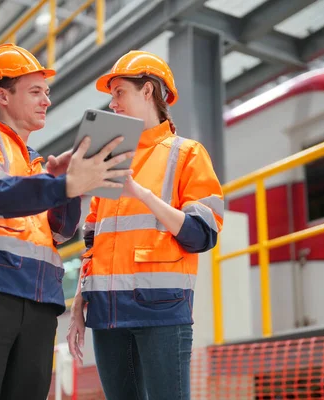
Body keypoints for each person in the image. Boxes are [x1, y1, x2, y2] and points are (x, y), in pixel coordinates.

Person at [0, 43, 134, 400]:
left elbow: (58, 232)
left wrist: (66, 188)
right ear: (3, 95)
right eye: (35, 92)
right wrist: (60, 184)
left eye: (47, 92)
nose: (47, 101)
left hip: (40, 303)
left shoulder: (34, 164)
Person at [66, 50, 225, 399]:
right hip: (106, 314)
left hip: (161, 311)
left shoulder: (187, 154)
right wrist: (79, 304)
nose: (112, 103)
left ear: (148, 91)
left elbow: (202, 233)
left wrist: (141, 193)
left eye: (119, 91)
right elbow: (92, 243)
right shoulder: (108, 160)